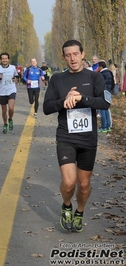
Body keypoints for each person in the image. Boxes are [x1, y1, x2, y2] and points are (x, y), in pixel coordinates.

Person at [43, 39, 110, 233]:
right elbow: (47, 107)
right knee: (70, 182)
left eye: (75, 54)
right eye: (68, 55)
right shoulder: (57, 79)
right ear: (64, 57)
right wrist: (63, 102)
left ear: (82, 54)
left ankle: (79, 211)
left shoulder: (95, 77)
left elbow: (104, 103)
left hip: (88, 139)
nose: (72, 58)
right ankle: (66, 205)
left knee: (83, 184)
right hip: (66, 137)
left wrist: (82, 98)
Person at [0, 52, 18, 134]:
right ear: (1, 60)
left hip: (11, 90)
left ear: (8, 59)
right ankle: (5, 123)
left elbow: (16, 75)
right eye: (3, 59)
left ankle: (10, 119)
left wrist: (15, 78)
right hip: (2, 92)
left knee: (11, 108)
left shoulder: (13, 68)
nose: (4, 60)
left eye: (6, 58)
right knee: (4, 110)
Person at [97, 60, 114, 133]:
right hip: (108, 92)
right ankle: (108, 126)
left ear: (101, 67)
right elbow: (113, 82)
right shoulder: (110, 72)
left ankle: (103, 126)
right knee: (106, 109)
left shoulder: (101, 74)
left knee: (102, 110)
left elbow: (99, 85)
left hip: (102, 93)